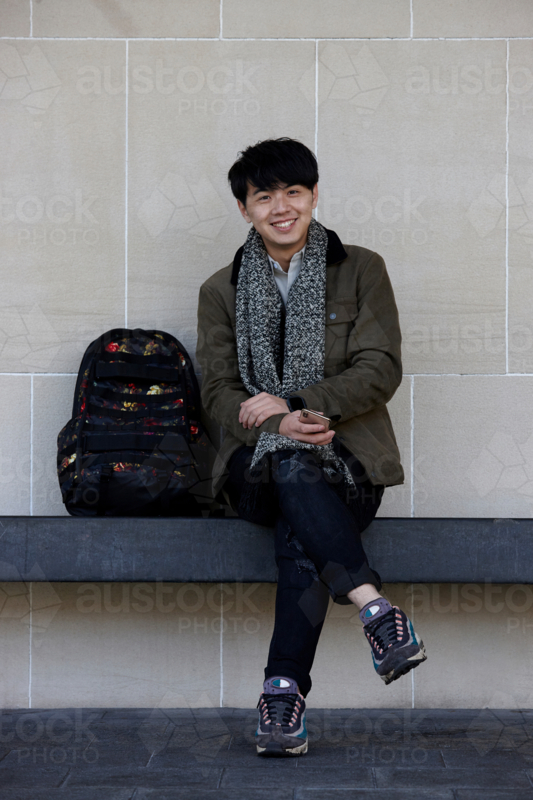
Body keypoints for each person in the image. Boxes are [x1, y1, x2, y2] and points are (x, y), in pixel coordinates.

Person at [196, 137, 426, 757]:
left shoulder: (362, 269)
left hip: (350, 465)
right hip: (252, 470)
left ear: (314, 194)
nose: (281, 208)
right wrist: (276, 425)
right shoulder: (220, 290)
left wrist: (297, 403)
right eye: (264, 197)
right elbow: (217, 392)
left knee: (300, 513)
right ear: (244, 208)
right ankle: (373, 607)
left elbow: (380, 367)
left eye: (293, 192)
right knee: (289, 463)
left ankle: (282, 698)